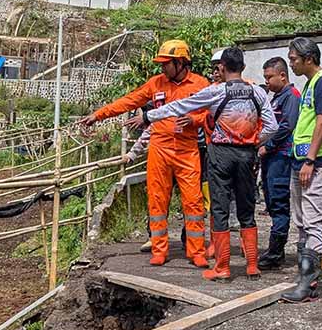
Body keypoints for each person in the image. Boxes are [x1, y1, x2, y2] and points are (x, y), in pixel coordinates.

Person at [143, 47, 278, 281]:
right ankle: (252, 266)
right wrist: (255, 140)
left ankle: (223, 267)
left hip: (221, 155)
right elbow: (273, 126)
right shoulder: (258, 92)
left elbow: (180, 106)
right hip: (247, 155)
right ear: (243, 67)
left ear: (222, 68)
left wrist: (149, 116)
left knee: (219, 208)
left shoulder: (215, 92)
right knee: (246, 209)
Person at [80, 39, 210, 267]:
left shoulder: (200, 84)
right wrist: (98, 115)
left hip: (187, 150)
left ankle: (196, 251)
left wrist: (194, 119)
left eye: (166, 63)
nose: (162, 68)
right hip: (159, 148)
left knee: (193, 202)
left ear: (180, 62)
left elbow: (211, 114)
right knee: (157, 200)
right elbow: (128, 101)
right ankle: (159, 249)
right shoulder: (155, 84)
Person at [281, 37, 322, 303]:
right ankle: (304, 276)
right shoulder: (309, 84)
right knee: (302, 219)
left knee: (313, 219)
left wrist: (311, 160)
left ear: (308, 59)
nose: (291, 63)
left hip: (315, 163)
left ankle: (309, 280)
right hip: (300, 160)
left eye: (294, 59)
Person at [258, 56, 301, 269]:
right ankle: (276, 250)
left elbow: (286, 126)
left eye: (269, 77)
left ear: (282, 75)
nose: (266, 81)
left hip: (281, 156)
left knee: (279, 201)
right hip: (270, 157)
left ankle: (275, 253)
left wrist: (268, 145)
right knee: (271, 202)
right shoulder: (276, 97)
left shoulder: (291, 97)